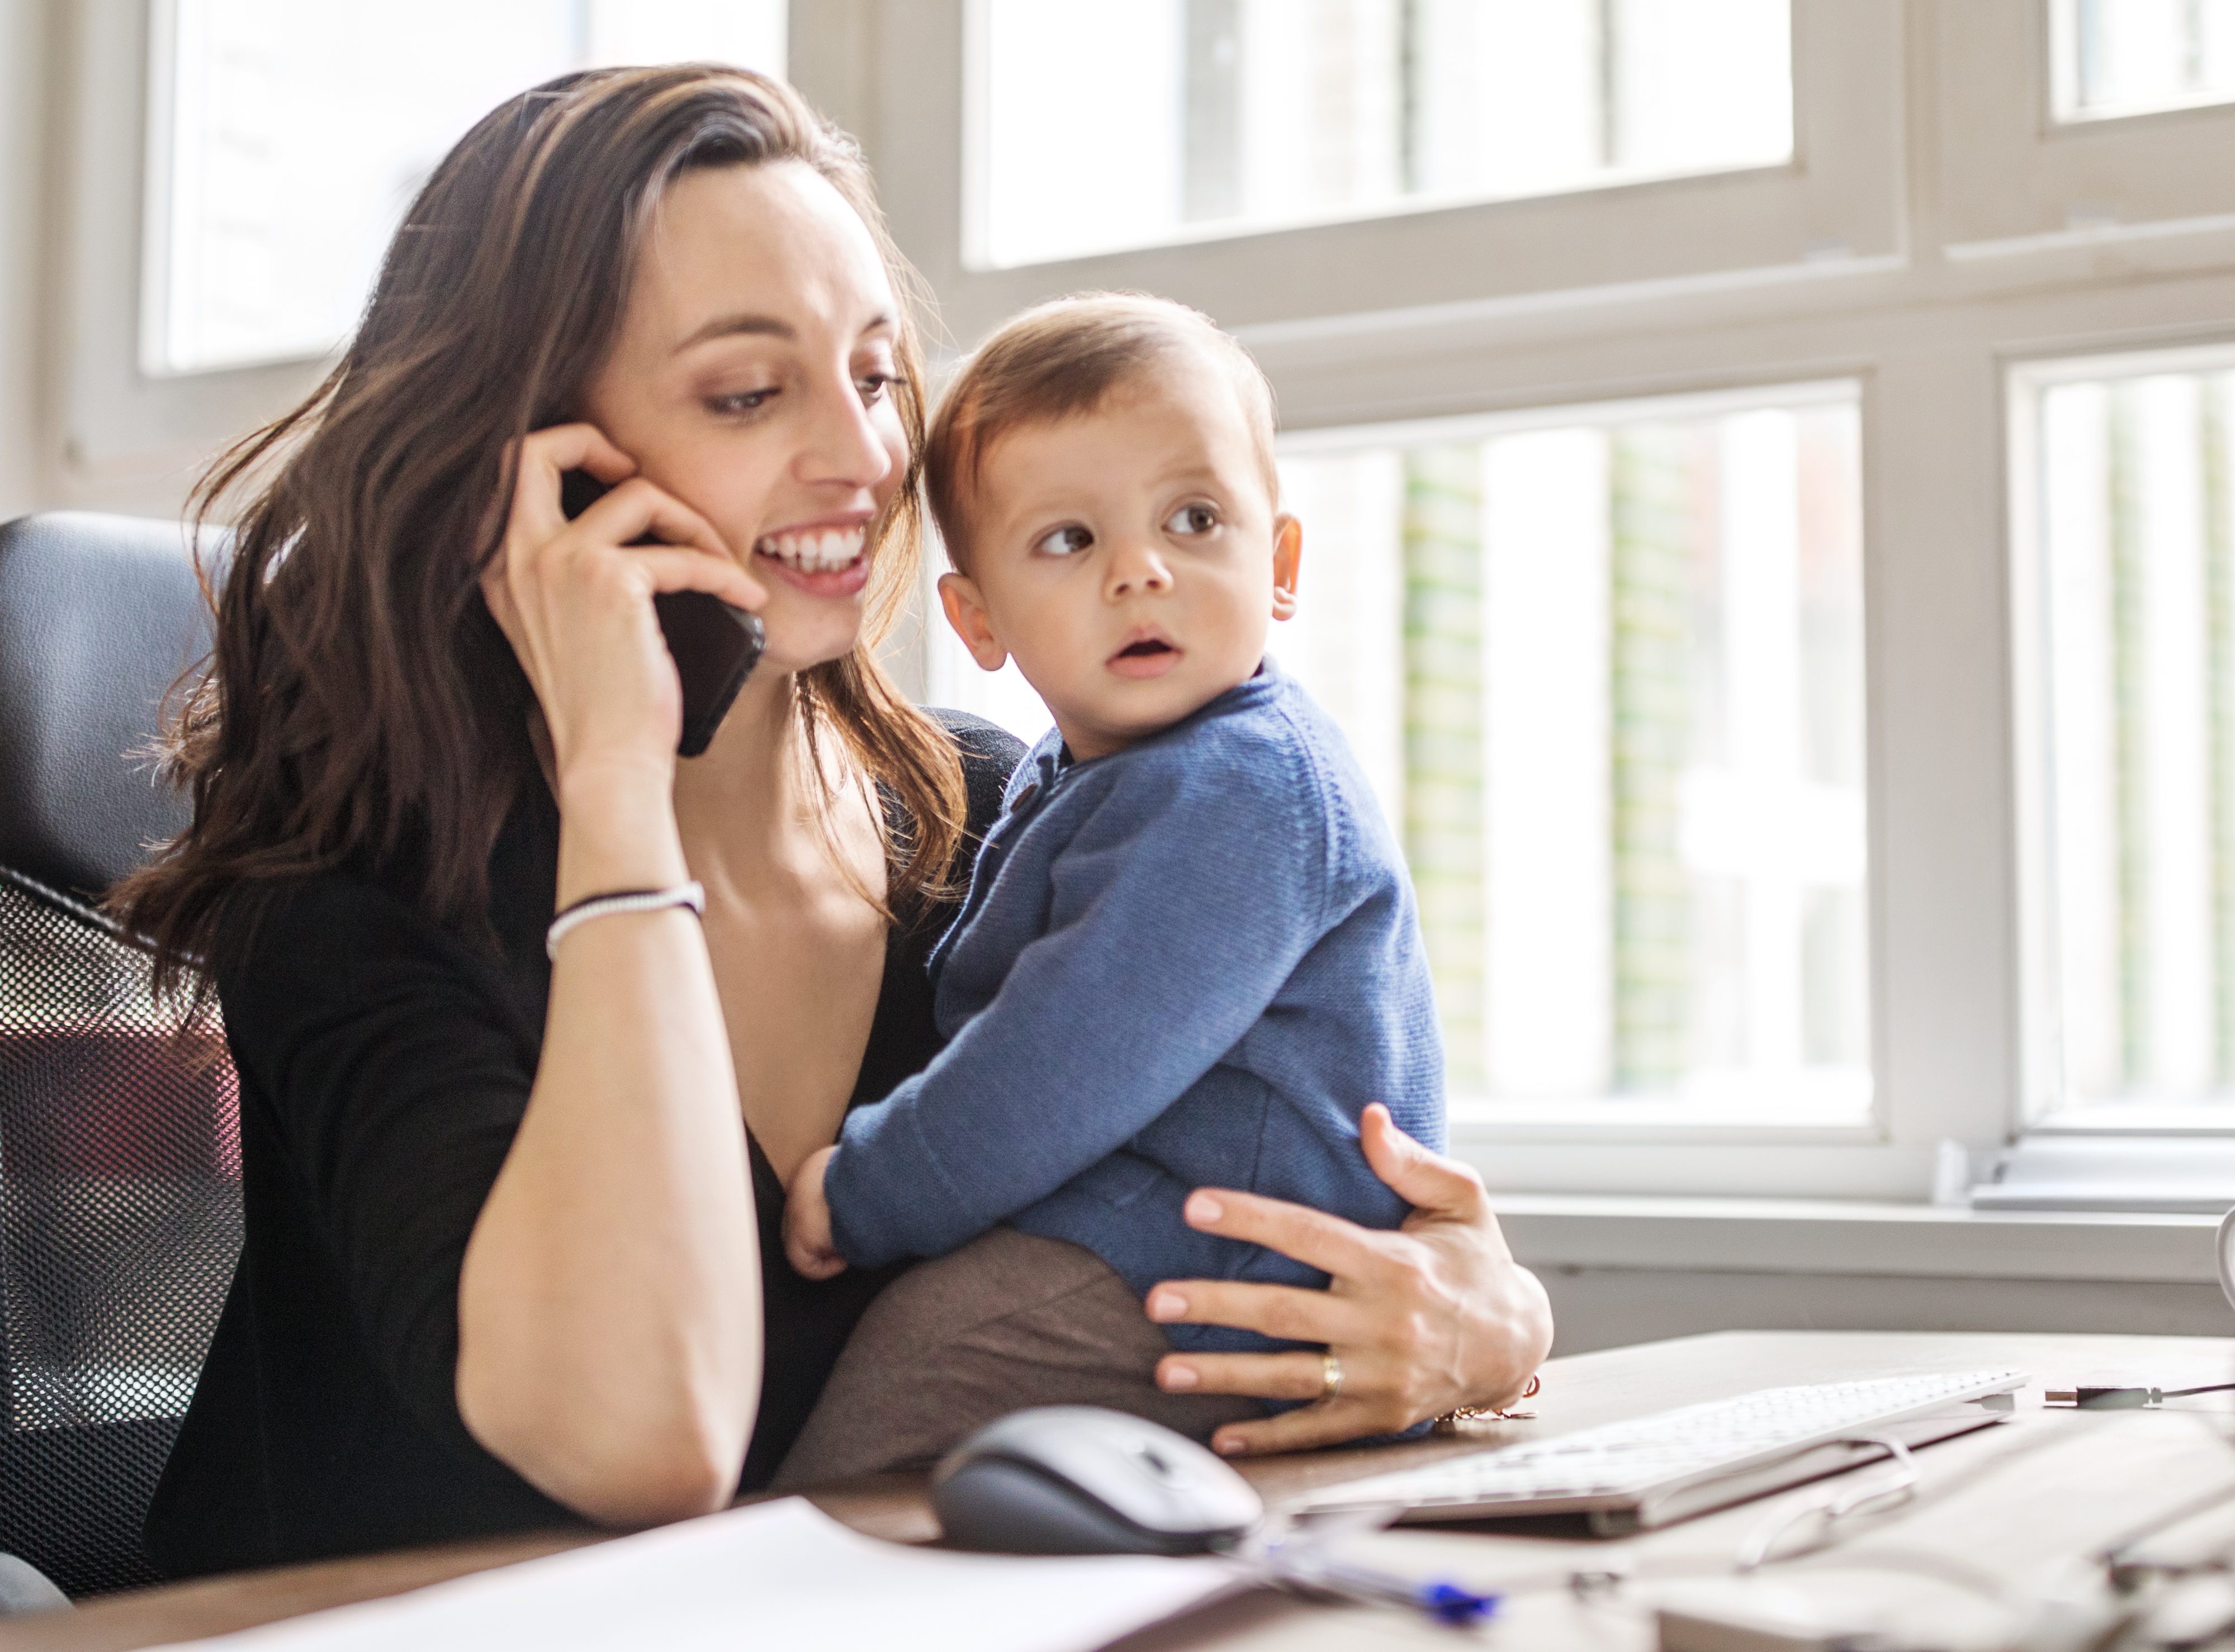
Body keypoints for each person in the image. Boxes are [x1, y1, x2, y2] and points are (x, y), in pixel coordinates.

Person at [110, 64, 1552, 1578]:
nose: (867, 459)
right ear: (532, 471)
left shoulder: (993, 819)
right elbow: (644, 1441)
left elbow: (1310, 1183)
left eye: (872, 375)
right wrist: (616, 776)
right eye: (746, 392)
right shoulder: (353, 896)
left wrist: (1478, 1317)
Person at [774, 295, 1443, 1480]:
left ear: (1279, 564)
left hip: (1214, 1269)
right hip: (1165, 1247)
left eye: (1194, 519)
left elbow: (1056, 1060)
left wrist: (866, 1191)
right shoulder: (1086, 770)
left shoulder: (1240, 790)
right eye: (1068, 541)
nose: (1141, 571)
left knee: (887, 1407)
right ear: (978, 617)